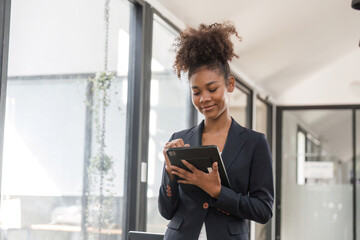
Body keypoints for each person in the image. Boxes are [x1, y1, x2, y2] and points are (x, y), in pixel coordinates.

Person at [158, 22, 274, 240]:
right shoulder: (179, 139)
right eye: (196, 92)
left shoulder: (254, 143)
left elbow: (264, 210)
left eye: (212, 89)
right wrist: (169, 174)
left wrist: (218, 192)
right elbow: (166, 211)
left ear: (230, 84)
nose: (204, 99)